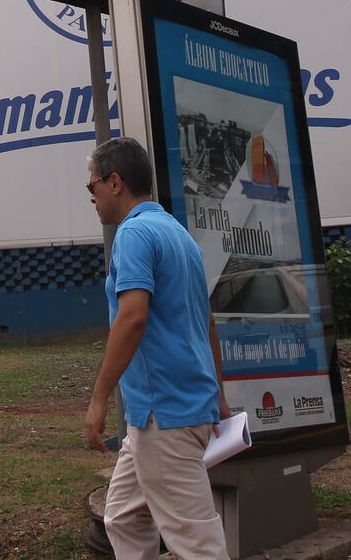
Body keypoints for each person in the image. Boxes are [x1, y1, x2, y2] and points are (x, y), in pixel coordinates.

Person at [83, 137, 230, 560]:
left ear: (115, 182)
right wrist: (218, 394)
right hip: (179, 408)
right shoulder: (178, 234)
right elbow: (207, 321)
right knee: (124, 518)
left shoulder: (132, 234)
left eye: (92, 187)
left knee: (197, 544)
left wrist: (98, 399)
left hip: (163, 413)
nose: (92, 198)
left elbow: (132, 317)